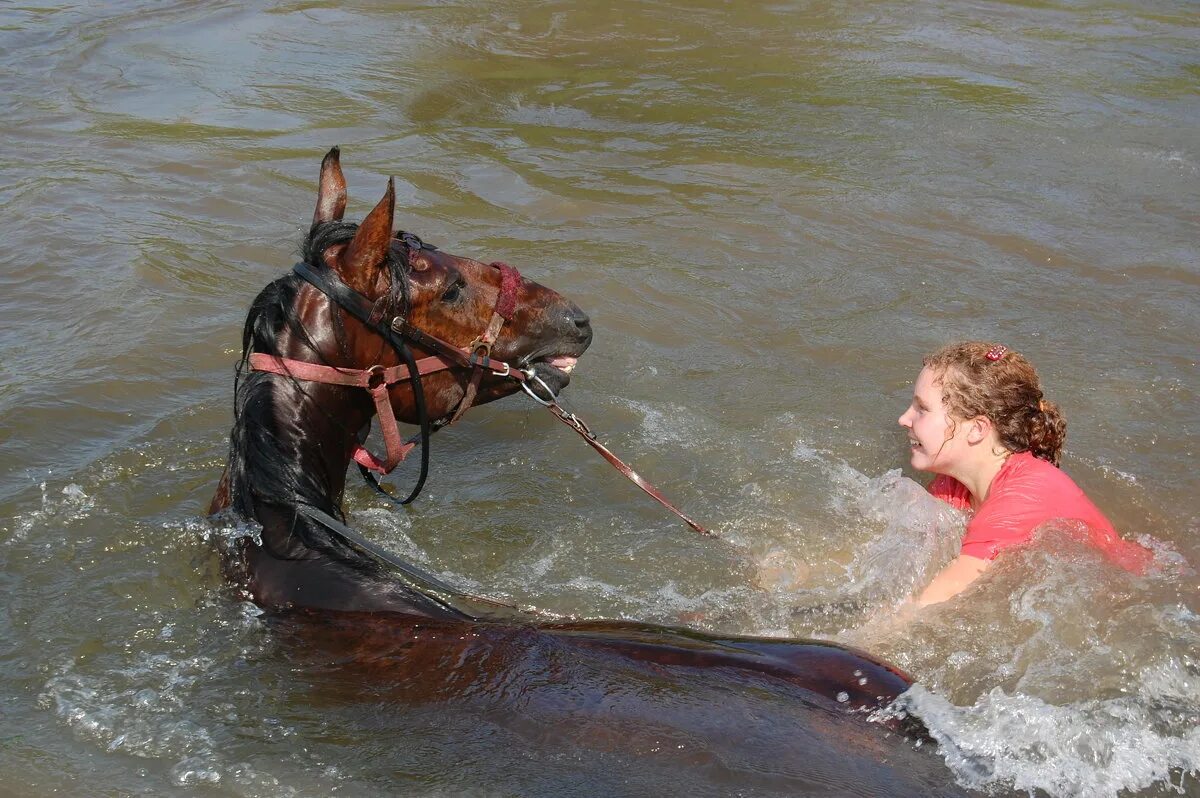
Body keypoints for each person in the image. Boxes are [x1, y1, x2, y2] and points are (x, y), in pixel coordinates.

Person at [898, 341, 1151, 607]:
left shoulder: (1024, 496)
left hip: (1140, 595)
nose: (904, 418)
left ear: (977, 429)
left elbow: (929, 604)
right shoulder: (954, 485)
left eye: (922, 409)